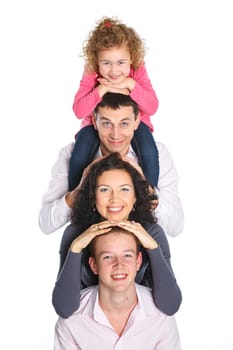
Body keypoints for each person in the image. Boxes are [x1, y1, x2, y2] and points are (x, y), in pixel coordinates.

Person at [52, 152, 182, 319]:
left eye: (124, 189)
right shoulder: (75, 234)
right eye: (105, 189)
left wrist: (153, 248)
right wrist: (76, 249)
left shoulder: (152, 233)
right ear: (93, 197)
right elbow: (64, 308)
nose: (114, 199)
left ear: (135, 197)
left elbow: (170, 305)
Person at [38, 93, 184, 237]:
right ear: (95, 122)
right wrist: (80, 189)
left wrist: (145, 188)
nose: (115, 134)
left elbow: (176, 227)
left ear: (137, 121)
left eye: (124, 124)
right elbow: (46, 224)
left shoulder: (158, 154)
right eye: (107, 123)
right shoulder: (71, 154)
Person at [69, 16, 159, 191]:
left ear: (131, 59)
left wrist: (131, 85)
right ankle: (75, 197)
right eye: (106, 63)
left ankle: (149, 196)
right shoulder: (92, 72)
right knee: (79, 156)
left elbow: (152, 106)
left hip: (134, 123)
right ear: (97, 61)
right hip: (94, 124)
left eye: (120, 62)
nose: (114, 70)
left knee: (149, 153)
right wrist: (101, 89)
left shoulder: (137, 70)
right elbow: (79, 110)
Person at [54, 227, 182, 349]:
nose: (119, 265)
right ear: (94, 265)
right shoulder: (72, 320)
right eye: (107, 257)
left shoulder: (161, 317)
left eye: (127, 255)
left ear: (138, 262)